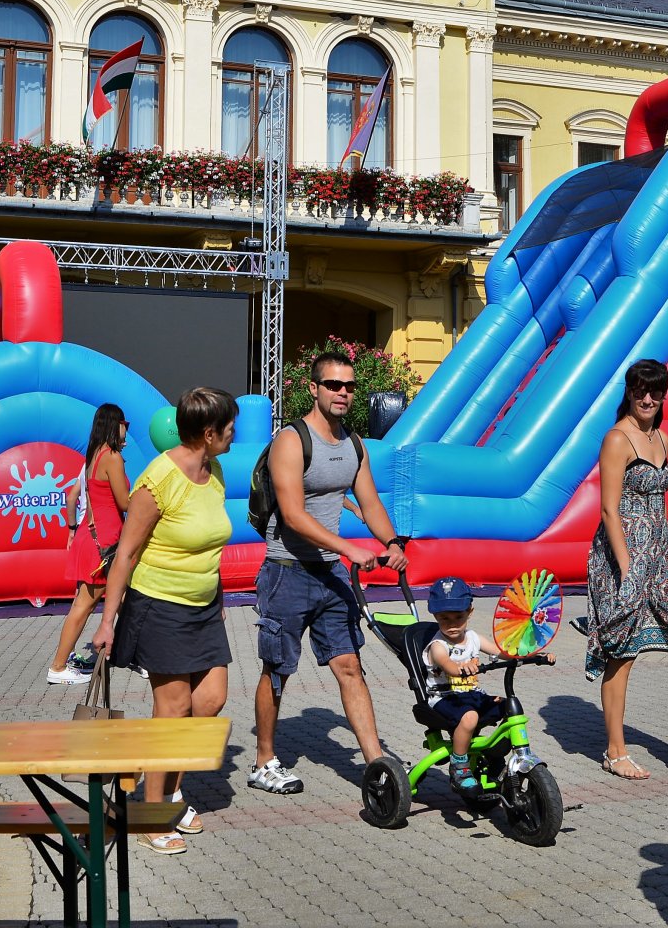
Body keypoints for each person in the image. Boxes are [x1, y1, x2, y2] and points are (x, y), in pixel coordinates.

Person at [248, 350, 410, 795]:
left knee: (350, 665)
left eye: (349, 386)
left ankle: (377, 764)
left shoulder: (354, 444)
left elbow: (370, 503)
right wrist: (348, 549)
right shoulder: (291, 441)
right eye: (334, 385)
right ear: (314, 388)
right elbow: (294, 515)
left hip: (330, 574)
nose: (343, 393)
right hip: (287, 571)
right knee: (277, 669)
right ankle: (263, 761)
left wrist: (392, 542)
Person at [92, 387, 238, 856]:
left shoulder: (214, 472)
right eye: (229, 426)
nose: (235, 433)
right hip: (159, 607)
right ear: (208, 433)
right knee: (172, 711)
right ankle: (151, 813)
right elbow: (125, 554)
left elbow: (209, 543)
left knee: (210, 700)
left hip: (204, 609)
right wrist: (107, 621)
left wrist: (216, 597)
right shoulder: (158, 480)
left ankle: (170, 790)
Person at [585, 358, 668, 780]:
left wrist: (663, 555)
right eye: (640, 390)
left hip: (662, 554)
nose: (648, 398)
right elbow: (609, 510)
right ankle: (615, 751)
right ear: (629, 392)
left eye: (656, 391)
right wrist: (627, 568)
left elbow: (658, 502)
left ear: (664, 394)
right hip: (622, 556)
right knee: (623, 650)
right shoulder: (617, 439)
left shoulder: (662, 438)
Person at [421, 575, 532, 792]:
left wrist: (531, 654)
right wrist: (460, 668)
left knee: (508, 706)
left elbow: (500, 652)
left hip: (471, 694)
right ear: (435, 616)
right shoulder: (438, 645)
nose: (452, 624)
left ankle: (494, 753)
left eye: (458, 617)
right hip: (444, 698)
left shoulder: (473, 637)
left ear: (469, 612)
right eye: (444, 618)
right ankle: (459, 765)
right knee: (470, 717)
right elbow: (447, 664)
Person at [47, 404, 132, 686]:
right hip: (104, 543)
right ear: (114, 424)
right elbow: (124, 502)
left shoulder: (95, 454)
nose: (126, 430)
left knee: (124, 598)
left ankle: (135, 653)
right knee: (83, 606)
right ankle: (58, 667)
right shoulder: (112, 457)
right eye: (124, 424)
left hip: (93, 537)